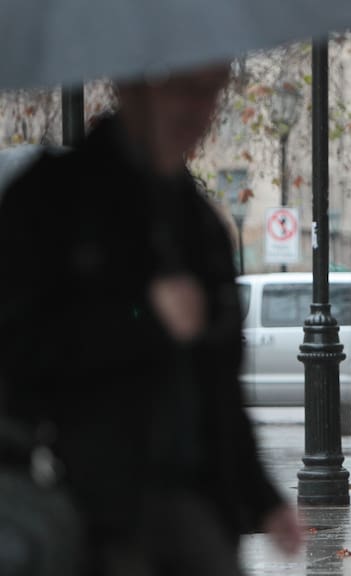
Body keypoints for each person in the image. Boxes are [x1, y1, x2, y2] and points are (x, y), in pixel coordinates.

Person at [0, 63, 303, 575]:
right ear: (129, 86)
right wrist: (140, 324)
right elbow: (19, 350)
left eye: (211, 92)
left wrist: (262, 496)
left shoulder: (198, 223)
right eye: (181, 90)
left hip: (195, 504)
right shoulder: (51, 199)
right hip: (85, 503)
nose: (198, 109)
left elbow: (218, 384)